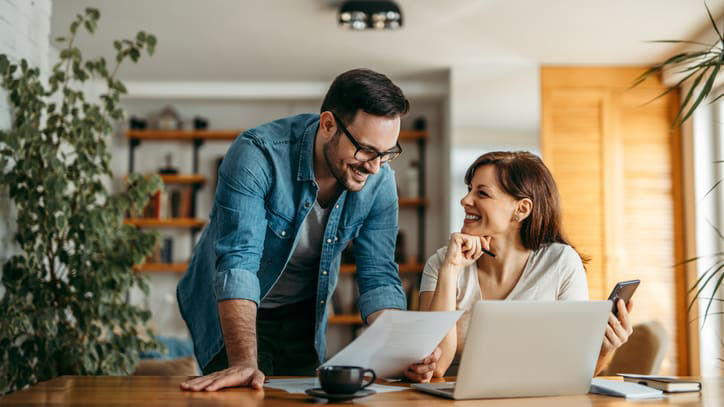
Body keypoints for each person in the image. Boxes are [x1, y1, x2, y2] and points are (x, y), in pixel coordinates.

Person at [177, 68, 432, 391]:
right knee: (243, 394)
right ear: (328, 125)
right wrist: (242, 361)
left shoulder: (379, 180)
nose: (374, 166)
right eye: (366, 150)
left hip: (302, 313)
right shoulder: (258, 154)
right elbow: (239, 261)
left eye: (386, 153)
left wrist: (403, 352)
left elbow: (379, 274)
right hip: (236, 310)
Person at [409, 151, 633, 378]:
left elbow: (573, 372)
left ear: (522, 209)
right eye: (469, 190)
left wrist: (604, 350)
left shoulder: (561, 263)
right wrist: (451, 270)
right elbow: (435, 367)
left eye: (482, 193)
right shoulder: (442, 263)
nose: (465, 200)